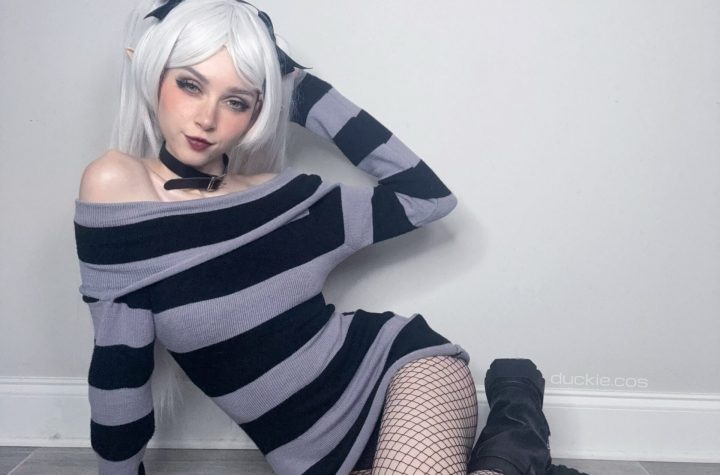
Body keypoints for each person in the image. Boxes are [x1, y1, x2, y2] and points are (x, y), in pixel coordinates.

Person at [73, 1, 589, 474]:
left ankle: (513, 421)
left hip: (400, 375)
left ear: (258, 110)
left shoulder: (284, 200)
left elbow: (427, 198)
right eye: (190, 85)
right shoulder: (118, 187)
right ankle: (515, 424)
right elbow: (120, 369)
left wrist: (300, 89)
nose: (207, 118)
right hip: (309, 458)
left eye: (236, 101)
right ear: (152, 73)